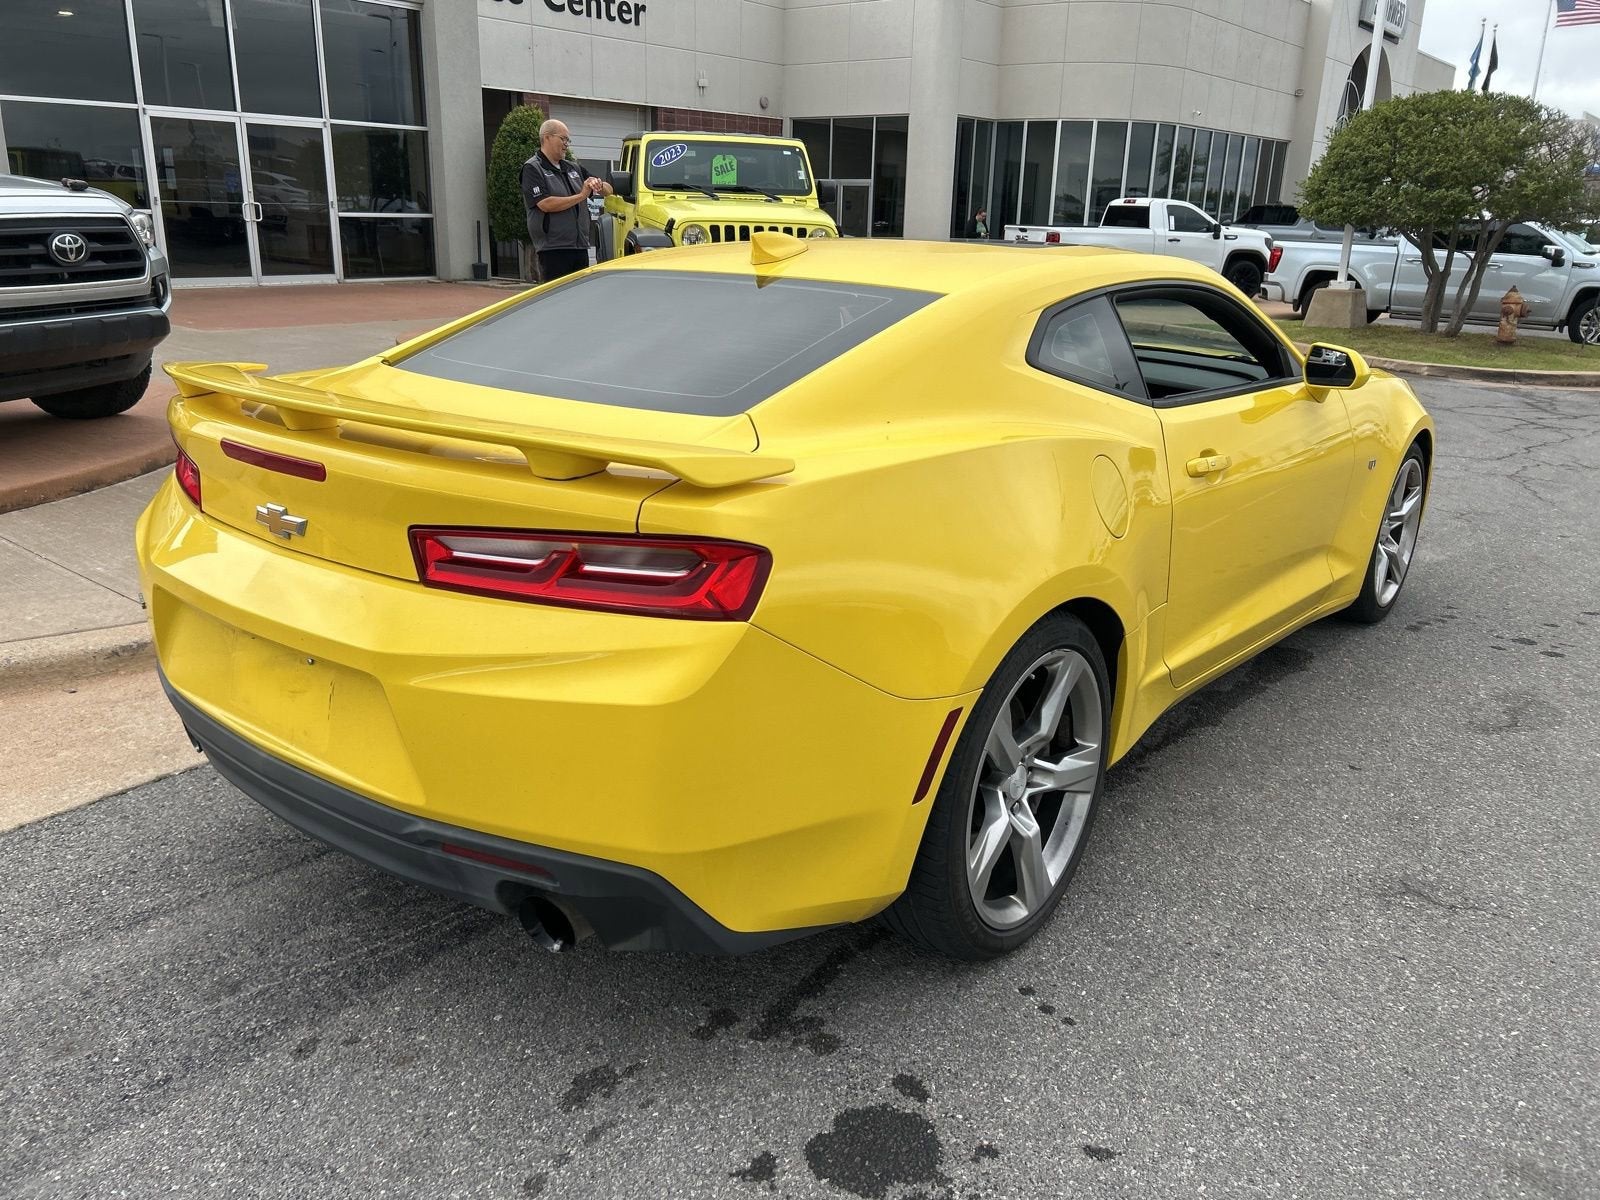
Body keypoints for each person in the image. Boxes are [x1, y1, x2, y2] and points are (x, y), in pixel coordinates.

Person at [520, 119, 614, 283]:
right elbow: (545, 204)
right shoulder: (533, 168)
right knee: (556, 299)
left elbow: (609, 190)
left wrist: (599, 185)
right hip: (553, 249)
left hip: (579, 247)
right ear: (547, 137)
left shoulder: (573, 168)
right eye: (563, 139)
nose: (566, 144)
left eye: (568, 140)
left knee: (580, 298)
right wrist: (581, 196)